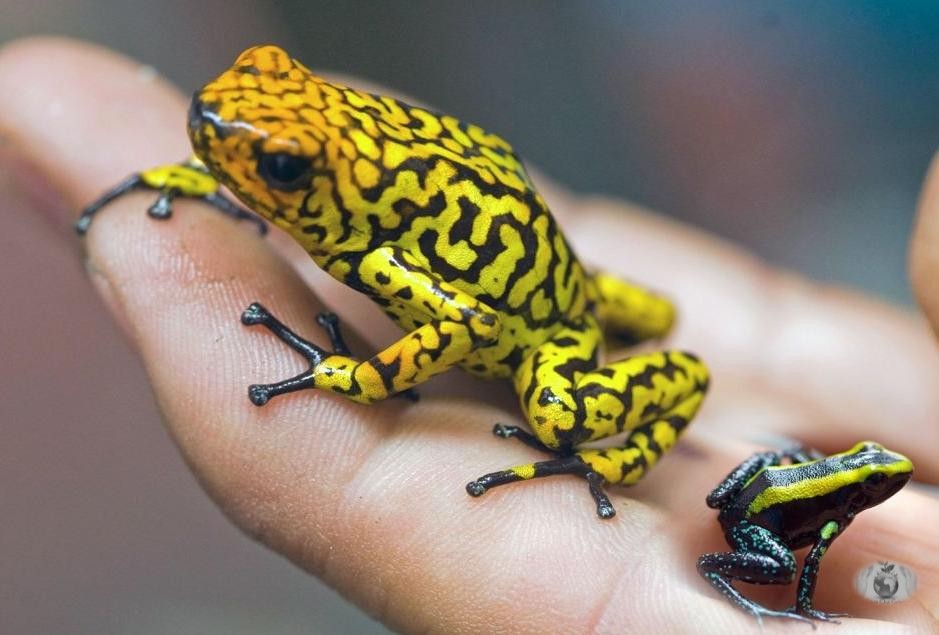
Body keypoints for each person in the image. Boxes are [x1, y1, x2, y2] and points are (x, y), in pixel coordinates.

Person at [1, 37, 936, 633]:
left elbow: (461, 320)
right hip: (541, 261)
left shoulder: (371, 247)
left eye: (278, 166)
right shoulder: (348, 210)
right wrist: (237, 181)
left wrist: (358, 378)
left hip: (546, 329)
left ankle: (645, 415)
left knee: (563, 407)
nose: (217, 124)